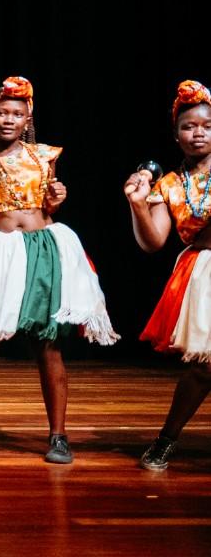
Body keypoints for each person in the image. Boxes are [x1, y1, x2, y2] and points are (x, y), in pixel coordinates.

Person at [0, 76, 116, 463]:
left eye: (16, 114)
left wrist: (57, 198)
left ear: (27, 119)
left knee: (47, 342)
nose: (9, 119)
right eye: (2, 113)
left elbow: (50, 204)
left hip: (42, 247)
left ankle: (58, 435)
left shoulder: (44, 156)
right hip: (1, 251)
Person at [126, 80, 211, 471]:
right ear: (176, 135)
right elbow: (153, 242)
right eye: (188, 127)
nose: (198, 133)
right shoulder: (171, 184)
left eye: (207, 126)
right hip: (203, 271)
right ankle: (167, 438)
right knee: (204, 366)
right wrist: (138, 205)